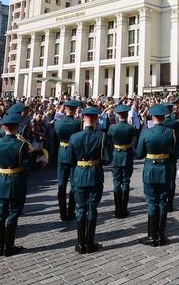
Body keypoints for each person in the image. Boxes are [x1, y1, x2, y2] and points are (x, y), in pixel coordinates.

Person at [136, 104, 179, 247]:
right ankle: (160, 236)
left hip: (150, 170)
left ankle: (152, 236)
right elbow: (175, 152)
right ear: (163, 117)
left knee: (152, 202)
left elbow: (139, 154)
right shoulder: (170, 132)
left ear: (152, 117)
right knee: (163, 201)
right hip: (165, 169)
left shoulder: (146, 133)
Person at [70, 106, 111, 254]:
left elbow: (70, 159)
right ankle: (90, 242)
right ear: (96, 120)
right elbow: (107, 159)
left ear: (84, 119)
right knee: (92, 208)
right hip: (95, 174)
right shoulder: (102, 136)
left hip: (80, 174)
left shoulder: (74, 137)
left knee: (80, 208)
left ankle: (81, 244)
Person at [0, 113, 32, 257]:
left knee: (0, 214)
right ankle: (9, 247)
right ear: (17, 127)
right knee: (13, 213)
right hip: (16, 180)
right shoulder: (21, 145)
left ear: (4, 127)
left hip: (1, 179)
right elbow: (28, 165)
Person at [106, 104, 138, 218]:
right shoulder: (131, 127)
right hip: (127, 155)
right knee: (126, 181)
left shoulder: (112, 127)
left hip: (116, 155)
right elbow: (133, 139)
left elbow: (108, 142)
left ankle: (117, 208)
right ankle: (123, 208)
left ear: (118, 115)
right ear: (126, 114)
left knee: (116, 182)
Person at [54, 100, 82, 222]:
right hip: (73, 154)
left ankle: (62, 213)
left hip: (62, 153)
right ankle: (70, 211)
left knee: (61, 184)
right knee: (74, 184)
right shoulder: (77, 123)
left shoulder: (58, 123)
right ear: (75, 110)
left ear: (65, 109)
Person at [162, 100, 179, 212]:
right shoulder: (173, 122)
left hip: (159, 155)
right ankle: (169, 204)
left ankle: (162, 201)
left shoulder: (161, 120)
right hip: (171, 154)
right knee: (171, 179)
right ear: (171, 110)